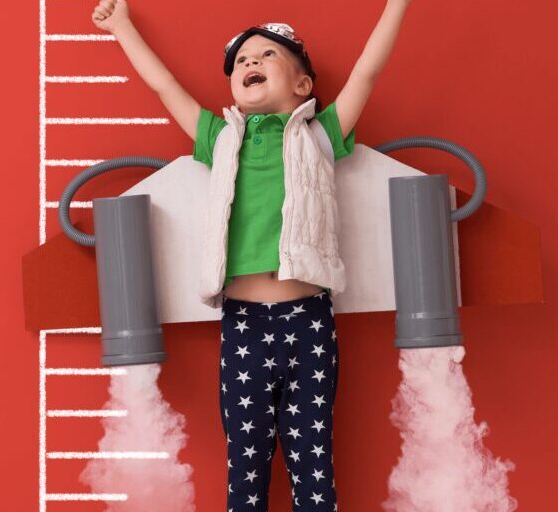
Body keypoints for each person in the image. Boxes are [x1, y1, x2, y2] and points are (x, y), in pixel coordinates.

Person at [91, 1, 412, 509]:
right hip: (243, 324)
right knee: (246, 465)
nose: (249, 63)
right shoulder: (219, 140)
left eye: (266, 55)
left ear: (303, 86)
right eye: (241, 60)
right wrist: (122, 27)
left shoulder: (320, 134)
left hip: (308, 320)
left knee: (314, 462)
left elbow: (369, 71)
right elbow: (164, 87)